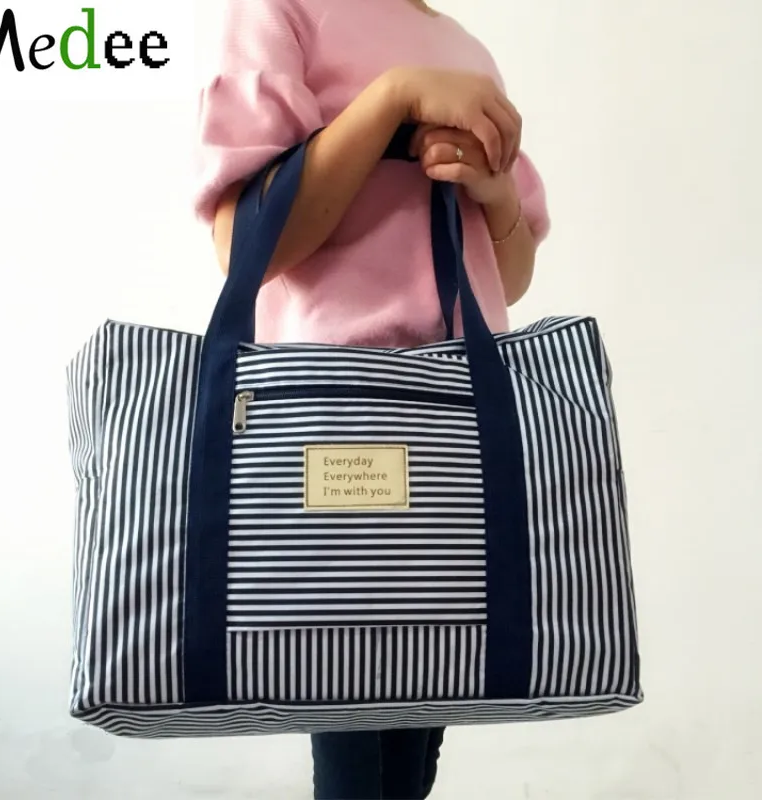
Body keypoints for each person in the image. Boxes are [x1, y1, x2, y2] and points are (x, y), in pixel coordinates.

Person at [193, 0, 550, 797]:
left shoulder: (464, 46)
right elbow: (244, 246)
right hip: (330, 428)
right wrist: (392, 98)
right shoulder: (282, 11)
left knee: (418, 728)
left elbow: (507, 278)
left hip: (451, 425)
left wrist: (492, 191)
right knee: (354, 725)